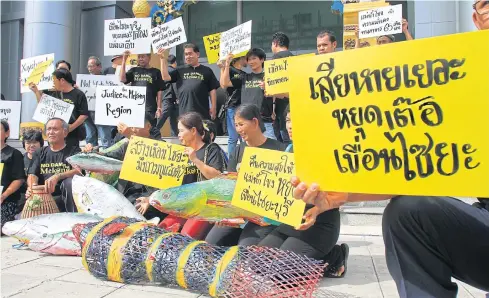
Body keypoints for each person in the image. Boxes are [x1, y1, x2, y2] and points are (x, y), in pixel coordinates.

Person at [291, 3, 489, 295]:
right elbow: (417, 169)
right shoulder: (463, 86)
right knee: (406, 213)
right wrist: (338, 197)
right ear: (477, 20)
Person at [258, 105, 349, 278]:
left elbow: (344, 195)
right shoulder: (287, 150)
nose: (290, 126)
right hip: (290, 221)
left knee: (280, 274)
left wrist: (317, 209)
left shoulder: (325, 152)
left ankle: (335, 256)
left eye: (296, 121)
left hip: (320, 224)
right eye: (287, 120)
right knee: (256, 264)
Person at [205, 104, 284, 246]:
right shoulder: (238, 150)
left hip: (264, 215)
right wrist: (223, 213)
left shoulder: (278, 149)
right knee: (211, 243)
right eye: (236, 125)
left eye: (241, 124)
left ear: (255, 122)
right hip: (239, 211)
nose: (238, 130)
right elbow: (229, 185)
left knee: (244, 248)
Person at [139, 112, 226, 240]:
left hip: (203, 207)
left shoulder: (211, 149)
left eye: (180, 131)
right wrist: (150, 199)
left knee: (185, 237)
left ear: (193, 131)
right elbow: (168, 184)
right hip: (181, 206)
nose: (178, 135)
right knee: (162, 231)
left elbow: (217, 177)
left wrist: (195, 160)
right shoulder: (179, 153)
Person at [219, 49, 276, 141]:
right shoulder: (244, 77)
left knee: (270, 151)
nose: (251, 62)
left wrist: (268, 87)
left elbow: (278, 94)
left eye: (254, 58)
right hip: (247, 121)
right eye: (249, 59)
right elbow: (225, 83)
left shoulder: (269, 76)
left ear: (262, 60)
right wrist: (226, 64)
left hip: (265, 121)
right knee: (249, 151)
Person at [27, 118, 81, 212]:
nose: (51, 132)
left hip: (65, 198)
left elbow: (78, 171)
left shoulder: (74, 151)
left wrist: (58, 176)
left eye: (55, 129)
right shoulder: (39, 152)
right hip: (44, 198)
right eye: (49, 129)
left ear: (65, 133)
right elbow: (32, 174)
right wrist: (32, 188)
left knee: (68, 182)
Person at [29, 69, 89, 149]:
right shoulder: (53, 93)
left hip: (71, 135)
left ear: (62, 80)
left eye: (54, 80)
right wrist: (36, 91)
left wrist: (71, 127)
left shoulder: (78, 94)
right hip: (54, 133)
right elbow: (42, 105)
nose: (53, 82)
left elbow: (84, 115)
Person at [158, 44, 220, 121]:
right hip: (184, 113)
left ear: (197, 54)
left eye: (190, 53)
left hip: (202, 113)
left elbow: (212, 90)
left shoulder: (207, 70)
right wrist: (162, 59)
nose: (188, 56)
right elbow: (165, 77)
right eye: (186, 54)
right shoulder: (179, 70)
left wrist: (213, 107)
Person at [120, 51, 164, 135]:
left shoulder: (156, 72)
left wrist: (159, 108)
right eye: (139, 57)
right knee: (135, 132)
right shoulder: (134, 70)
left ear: (149, 57)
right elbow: (122, 79)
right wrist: (124, 60)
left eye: (143, 57)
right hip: (135, 107)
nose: (140, 59)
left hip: (150, 108)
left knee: (150, 131)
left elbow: (160, 90)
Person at [84, 56, 115, 150]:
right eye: (88, 66)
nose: (89, 69)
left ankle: (106, 156)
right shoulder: (84, 81)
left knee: (105, 137)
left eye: (92, 66)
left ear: (99, 67)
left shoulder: (107, 80)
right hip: (88, 113)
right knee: (90, 137)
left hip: (102, 112)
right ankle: (91, 156)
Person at [218, 56, 246, 156]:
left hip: (243, 107)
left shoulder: (244, 74)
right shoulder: (229, 69)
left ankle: (242, 159)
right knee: (233, 137)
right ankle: (231, 162)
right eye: (245, 58)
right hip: (233, 107)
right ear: (240, 58)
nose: (247, 60)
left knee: (244, 137)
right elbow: (223, 84)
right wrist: (224, 67)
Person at [1, 120, 25, 230]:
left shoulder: (14, 154)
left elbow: (19, 180)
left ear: (7, 133)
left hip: (6, 201)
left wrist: (3, 196)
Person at [270, 32, 293, 144]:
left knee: (283, 138)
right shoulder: (295, 58)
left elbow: (272, 87)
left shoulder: (275, 59)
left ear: (275, 43)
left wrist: (272, 109)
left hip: (281, 107)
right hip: (292, 105)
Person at [18, 130, 44, 214]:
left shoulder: (46, 158)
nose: (32, 145)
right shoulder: (20, 159)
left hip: (44, 194)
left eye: (35, 142)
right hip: (24, 194)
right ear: (24, 144)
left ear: (41, 143)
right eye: (28, 142)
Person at [155, 54, 179, 137]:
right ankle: (153, 130)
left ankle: (175, 136)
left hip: (165, 97)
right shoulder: (174, 71)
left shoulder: (163, 71)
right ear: (175, 62)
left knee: (172, 120)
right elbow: (174, 86)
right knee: (167, 118)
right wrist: (178, 97)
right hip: (170, 97)